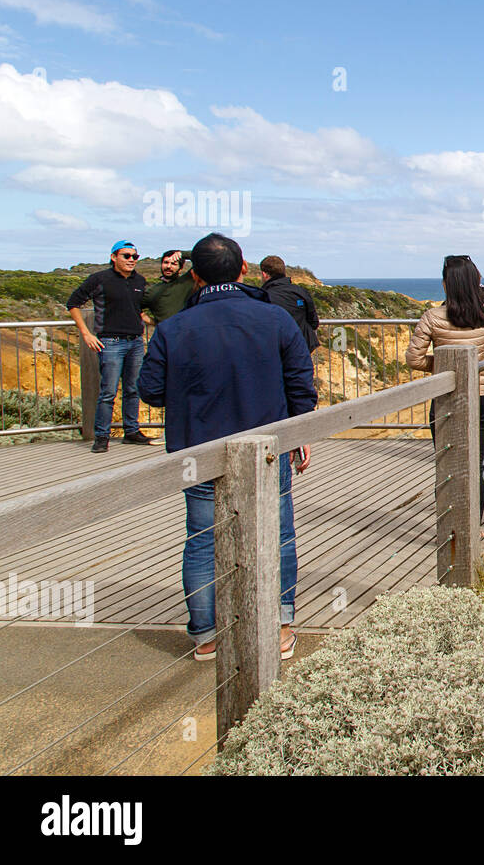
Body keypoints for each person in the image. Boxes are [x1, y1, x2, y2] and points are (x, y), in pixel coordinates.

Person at [137, 233, 317, 663]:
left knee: (201, 540)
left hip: (196, 454)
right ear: (243, 271)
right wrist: (300, 435)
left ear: (194, 276)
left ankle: (207, 636)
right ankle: (279, 629)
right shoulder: (275, 321)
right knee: (279, 536)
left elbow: (150, 390)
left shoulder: (173, 327)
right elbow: (300, 386)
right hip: (267, 448)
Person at [405, 255, 484, 518]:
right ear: (474, 283)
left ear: (446, 284)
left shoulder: (432, 317)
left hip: (445, 399)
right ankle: (475, 522)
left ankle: (450, 522)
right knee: (479, 459)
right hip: (480, 397)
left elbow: (413, 359)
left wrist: (442, 367)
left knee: (446, 461)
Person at [66, 240, 154, 452]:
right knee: (108, 392)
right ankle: (101, 437)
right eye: (126, 256)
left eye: (135, 256)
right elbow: (73, 303)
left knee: (133, 390)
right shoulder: (100, 279)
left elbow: (138, 311)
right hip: (111, 342)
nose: (131, 260)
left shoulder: (140, 281)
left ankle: (131, 431)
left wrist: (160, 322)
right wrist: (86, 334)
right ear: (114, 257)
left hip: (135, 342)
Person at [259, 255, 320, 353]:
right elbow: (314, 322)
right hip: (302, 349)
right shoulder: (301, 292)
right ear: (283, 272)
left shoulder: (262, 296)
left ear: (264, 274)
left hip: (276, 351)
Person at [141, 249, 195, 325]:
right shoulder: (152, 291)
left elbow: (204, 258)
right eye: (166, 262)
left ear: (180, 268)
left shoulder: (188, 280)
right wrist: (154, 323)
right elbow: (132, 307)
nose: (168, 266)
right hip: (165, 335)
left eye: (173, 264)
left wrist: (183, 254)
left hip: (189, 333)